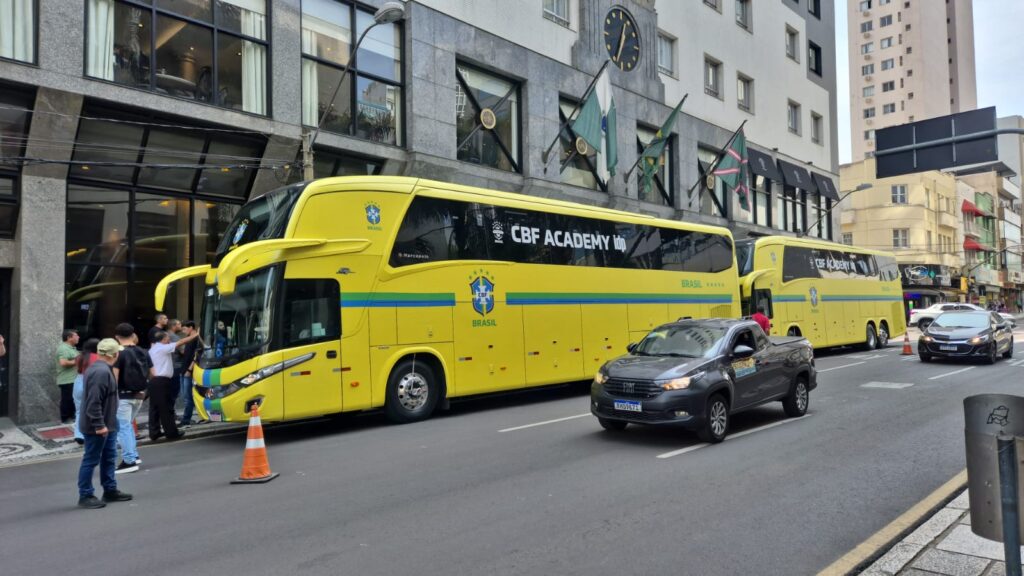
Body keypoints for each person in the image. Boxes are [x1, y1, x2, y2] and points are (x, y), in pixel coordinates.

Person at [77, 338, 133, 509]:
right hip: (98, 424)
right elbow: (93, 402)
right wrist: (99, 425)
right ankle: (85, 494)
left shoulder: (99, 368)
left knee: (109, 457)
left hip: (108, 421)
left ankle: (110, 489)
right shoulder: (101, 372)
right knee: (91, 459)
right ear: (114, 354)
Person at [112, 323, 152, 473]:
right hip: (140, 395)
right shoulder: (143, 351)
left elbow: (114, 378)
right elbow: (153, 372)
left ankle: (129, 461)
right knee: (127, 425)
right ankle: (134, 455)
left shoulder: (119, 353)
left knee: (123, 427)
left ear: (116, 336)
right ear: (132, 334)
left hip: (123, 395)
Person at [148, 328, 199, 441]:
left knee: (154, 408)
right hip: (162, 381)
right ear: (163, 339)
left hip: (154, 381)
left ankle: (154, 432)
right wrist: (195, 335)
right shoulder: (162, 348)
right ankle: (171, 433)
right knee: (167, 408)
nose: (169, 339)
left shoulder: (153, 349)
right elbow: (180, 342)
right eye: (167, 338)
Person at [72, 339, 100, 446]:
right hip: (92, 382)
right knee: (96, 408)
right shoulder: (97, 358)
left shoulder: (79, 357)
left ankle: (79, 435)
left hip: (78, 381)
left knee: (79, 410)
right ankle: (94, 431)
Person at [179, 321, 204, 427]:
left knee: (187, 397)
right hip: (183, 370)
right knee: (186, 397)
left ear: (191, 328)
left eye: (184, 328)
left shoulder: (196, 339)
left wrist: (189, 370)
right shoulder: (189, 339)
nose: (183, 331)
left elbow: (196, 356)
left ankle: (186, 420)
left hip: (189, 372)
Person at [57, 330, 80, 423]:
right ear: (69, 338)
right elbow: (63, 362)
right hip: (67, 379)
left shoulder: (72, 348)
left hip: (74, 378)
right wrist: (77, 362)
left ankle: (72, 417)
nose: (78, 337)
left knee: (72, 399)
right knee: (67, 399)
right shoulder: (63, 348)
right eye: (76, 335)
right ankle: (65, 418)